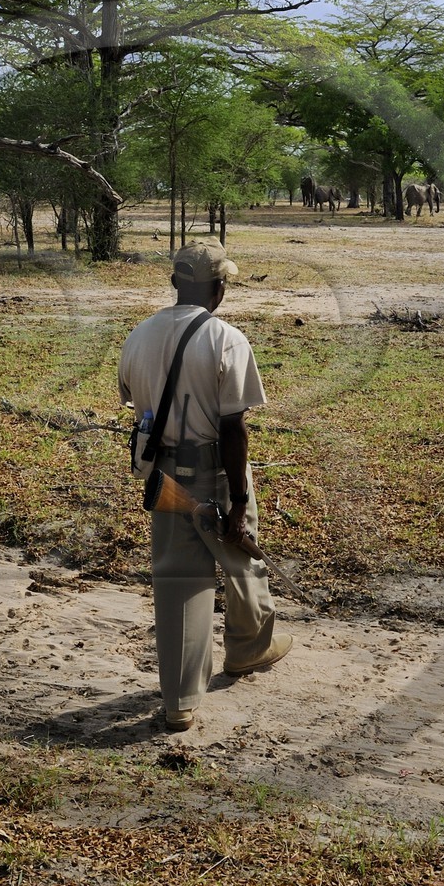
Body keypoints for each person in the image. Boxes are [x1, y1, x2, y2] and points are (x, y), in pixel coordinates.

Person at [118, 242, 292, 732]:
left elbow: (132, 401)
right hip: (214, 472)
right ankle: (249, 649)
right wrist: (238, 500)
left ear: (175, 283)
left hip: (164, 476)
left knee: (178, 582)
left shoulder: (138, 335)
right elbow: (234, 428)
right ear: (218, 289)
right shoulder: (226, 339)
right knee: (241, 557)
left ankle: (179, 702)